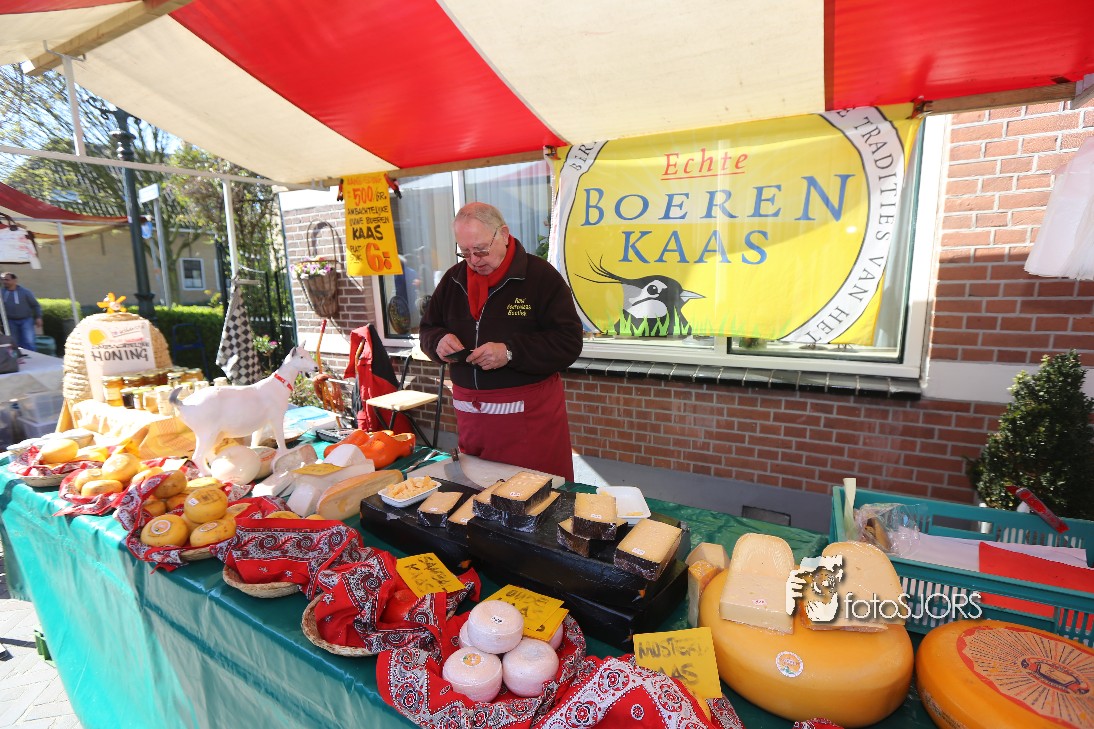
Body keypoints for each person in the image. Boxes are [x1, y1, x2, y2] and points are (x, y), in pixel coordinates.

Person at [419, 202, 583, 480]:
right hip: (472, 421)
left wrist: (510, 352)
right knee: (478, 493)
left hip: (530, 423)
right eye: (465, 252)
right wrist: (437, 341)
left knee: (536, 494)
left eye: (481, 250)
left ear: (504, 234)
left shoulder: (541, 277)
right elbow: (427, 329)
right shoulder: (452, 280)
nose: (474, 260)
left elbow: (568, 342)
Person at [0, 272, 41, 353]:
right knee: (13, 342)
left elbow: (35, 305)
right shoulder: (1, 293)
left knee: (29, 341)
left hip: (26, 320)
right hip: (10, 321)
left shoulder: (25, 292)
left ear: (14, 280)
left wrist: (38, 317)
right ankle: (17, 357)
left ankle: (31, 356)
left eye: (7, 280)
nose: (4, 282)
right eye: (3, 280)